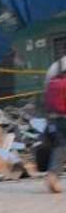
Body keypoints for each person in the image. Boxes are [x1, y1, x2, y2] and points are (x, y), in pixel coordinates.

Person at [45, 55, 66, 193]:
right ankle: (53, 175)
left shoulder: (55, 66)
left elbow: (46, 90)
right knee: (62, 145)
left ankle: (53, 174)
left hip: (56, 114)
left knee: (61, 144)